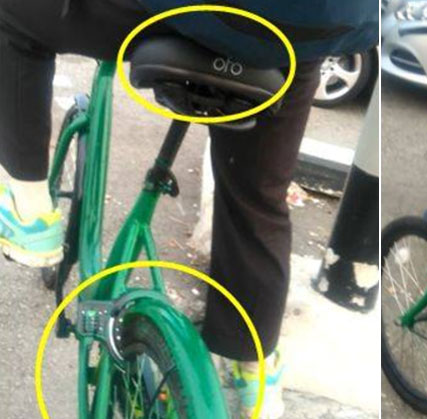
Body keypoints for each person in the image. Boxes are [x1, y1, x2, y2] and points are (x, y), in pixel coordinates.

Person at [0, 0, 376, 418]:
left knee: (14, 14)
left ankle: (30, 212)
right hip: (312, 29)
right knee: (258, 196)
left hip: (197, 13)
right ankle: (254, 367)